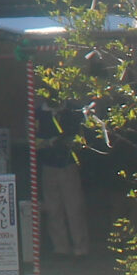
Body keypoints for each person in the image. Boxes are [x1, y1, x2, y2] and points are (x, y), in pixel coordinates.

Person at [37, 107, 91, 258]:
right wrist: (48, 142)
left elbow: (82, 139)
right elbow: (32, 139)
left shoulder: (73, 113)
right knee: (53, 208)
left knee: (74, 208)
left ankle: (80, 247)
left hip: (68, 164)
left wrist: (71, 143)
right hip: (48, 165)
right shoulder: (39, 114)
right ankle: (60, 247)